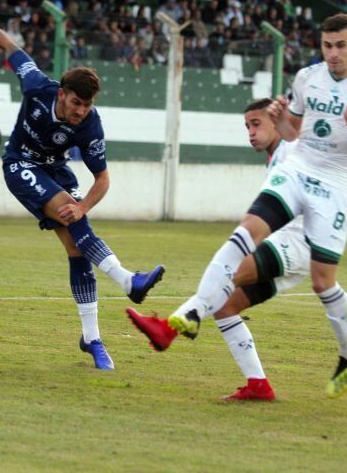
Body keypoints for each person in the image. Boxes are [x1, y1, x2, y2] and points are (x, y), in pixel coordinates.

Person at [142, 14, 347, 398]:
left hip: (334, 186)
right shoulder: (308, 77)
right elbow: (293, 133)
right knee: (243, 235)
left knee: (323, 282)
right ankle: (184, 321)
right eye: (327, 45)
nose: (333, 54)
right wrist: (280, 119)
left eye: (341, 45)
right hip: (298, 170)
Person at [0, 1, 164, 370]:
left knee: (78, 247)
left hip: (57, 171)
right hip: (20, 164)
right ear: (62, 93)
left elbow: (103, 179)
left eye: (87, 105)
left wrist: (85, 206)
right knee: (71, 214)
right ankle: (128, 281)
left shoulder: (90, 125)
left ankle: (92, 339)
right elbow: (8, 43)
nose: (81, 111)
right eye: (77, 102)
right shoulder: (37, 86)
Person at [127, 98, 313, 401]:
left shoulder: (291, 151)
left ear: (275, 122)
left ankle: (170, 328)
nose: (251, 132)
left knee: (231, 271)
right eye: (247, 126)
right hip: (288, 249)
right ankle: (258, 385)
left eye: (256, 124)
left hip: (295, 244)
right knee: (226, 307)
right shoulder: (277, 156)